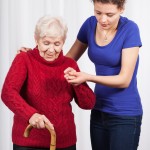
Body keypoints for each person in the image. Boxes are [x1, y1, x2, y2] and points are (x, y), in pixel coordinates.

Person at [17, 0, 143, 150]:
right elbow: (67, 61)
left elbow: (124, 80)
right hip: (99, 109)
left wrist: (87, 77)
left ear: (121, 9)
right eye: (98, 12)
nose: (103, 19)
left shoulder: (130, 29)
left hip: (125, 113)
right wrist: (35, 54)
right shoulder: (90, 25)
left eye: (109, 14)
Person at [1, 15, 96, 150]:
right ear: (36, 39)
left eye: (57, 44)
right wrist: (31, 115)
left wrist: (78, 83)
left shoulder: (70, 64)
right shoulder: (24, 59)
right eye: (46, 43)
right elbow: (8, 93)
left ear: (63, 41)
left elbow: (88, 104)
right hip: (28, 142)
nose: (51, 50)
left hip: (64, 143)